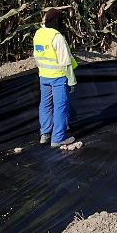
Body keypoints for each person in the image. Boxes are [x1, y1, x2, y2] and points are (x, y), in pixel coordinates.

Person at [33, 8, 78, 147]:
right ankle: (58, 138)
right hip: (58, 77)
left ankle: (45, 134)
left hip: (43, 76)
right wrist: (72, 81)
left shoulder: (38, 33)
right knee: (60, 106)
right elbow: (65, 62)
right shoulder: (57, 36)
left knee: (45, 104)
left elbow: (36, 55)